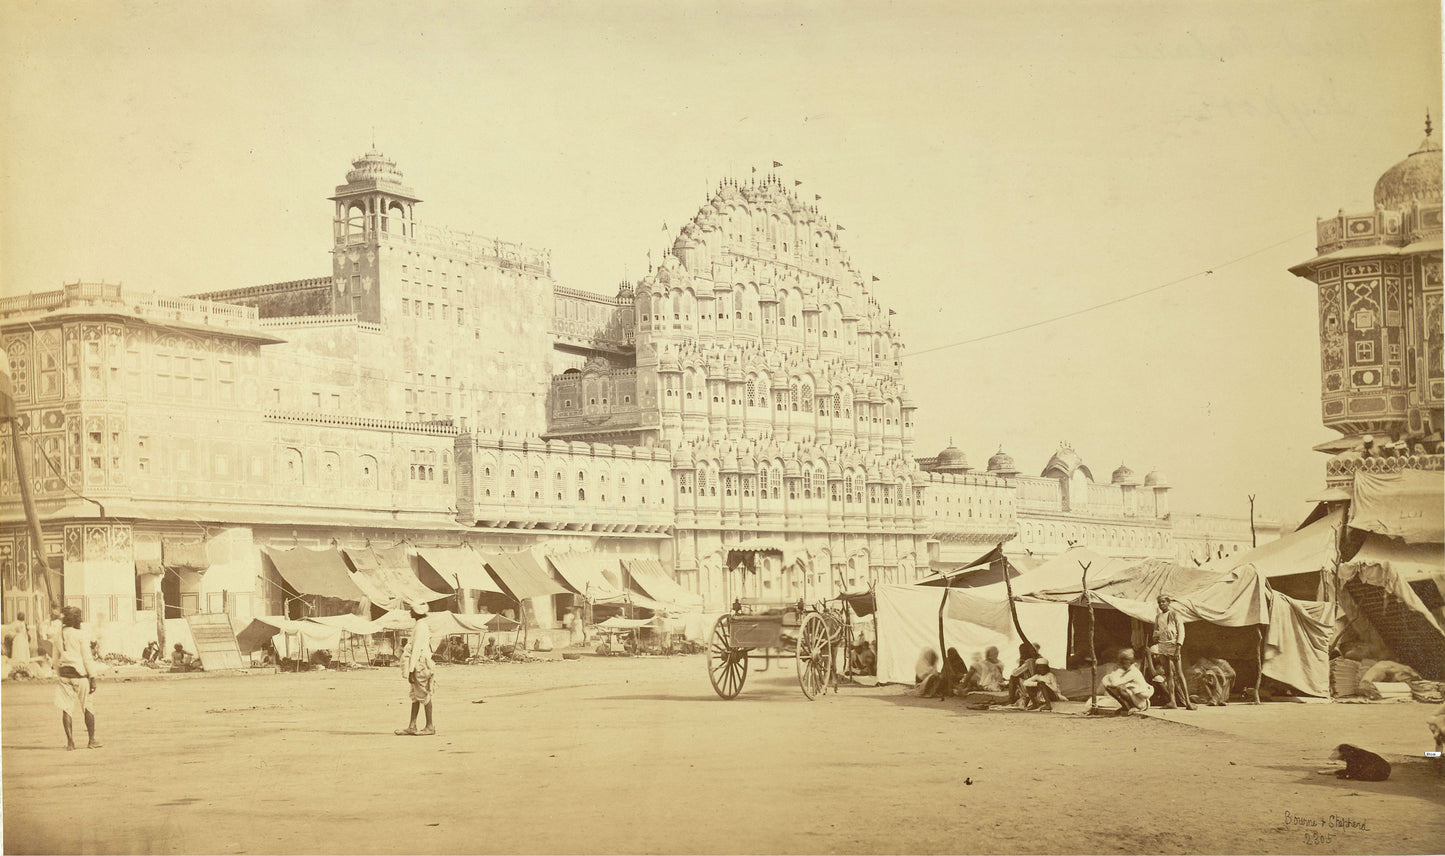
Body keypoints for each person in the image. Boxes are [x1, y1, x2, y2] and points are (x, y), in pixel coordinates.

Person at [53, 606, 100, 750]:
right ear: (76, 620)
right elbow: (87, 658)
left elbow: (55, 659)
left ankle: (70, 742)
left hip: (64, 674)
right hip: (80, 675)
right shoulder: (80, 635)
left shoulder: (58, 635)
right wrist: (93, 677)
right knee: (87, 706)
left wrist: (59, 675)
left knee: (66, 709)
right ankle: (91, 741)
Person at [396, 602, 436, 736]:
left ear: (417, 612)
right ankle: (412, 726)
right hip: (419, 663)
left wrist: (411, 670)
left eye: (411, 610)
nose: (409, 612)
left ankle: (429, 726)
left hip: (420, 664)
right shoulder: (420, 625)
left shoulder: (421, 627)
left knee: (423, 694)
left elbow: (416, 649)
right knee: (415, 695)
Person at [1152, 595, 1194, 710]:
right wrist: (1155, 636)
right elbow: (1156, 629)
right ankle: (1172, 701)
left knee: (1179, 674)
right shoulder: (1158, 616)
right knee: (1168, 674)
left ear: (1168, 602)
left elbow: (1181, 631)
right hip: (1162, 645)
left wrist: (1178, 648)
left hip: (1173, 645)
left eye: (1163, 602)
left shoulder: (1175, 614)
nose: (1161, 604)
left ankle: (1188, 702)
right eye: (1159, 602)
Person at [1100, 648, 1152, 715]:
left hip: (1142, 702)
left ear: (1129, 662)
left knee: (1120, 688)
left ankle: (1134, 707)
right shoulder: (1127, 670)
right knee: (1110, 688)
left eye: (1123, 662)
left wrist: (1117, 672)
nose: (1121, 664)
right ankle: (1125, 707)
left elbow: (1114, 683)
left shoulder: (1133, 671)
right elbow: (1108, 681)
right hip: (1136, 697)